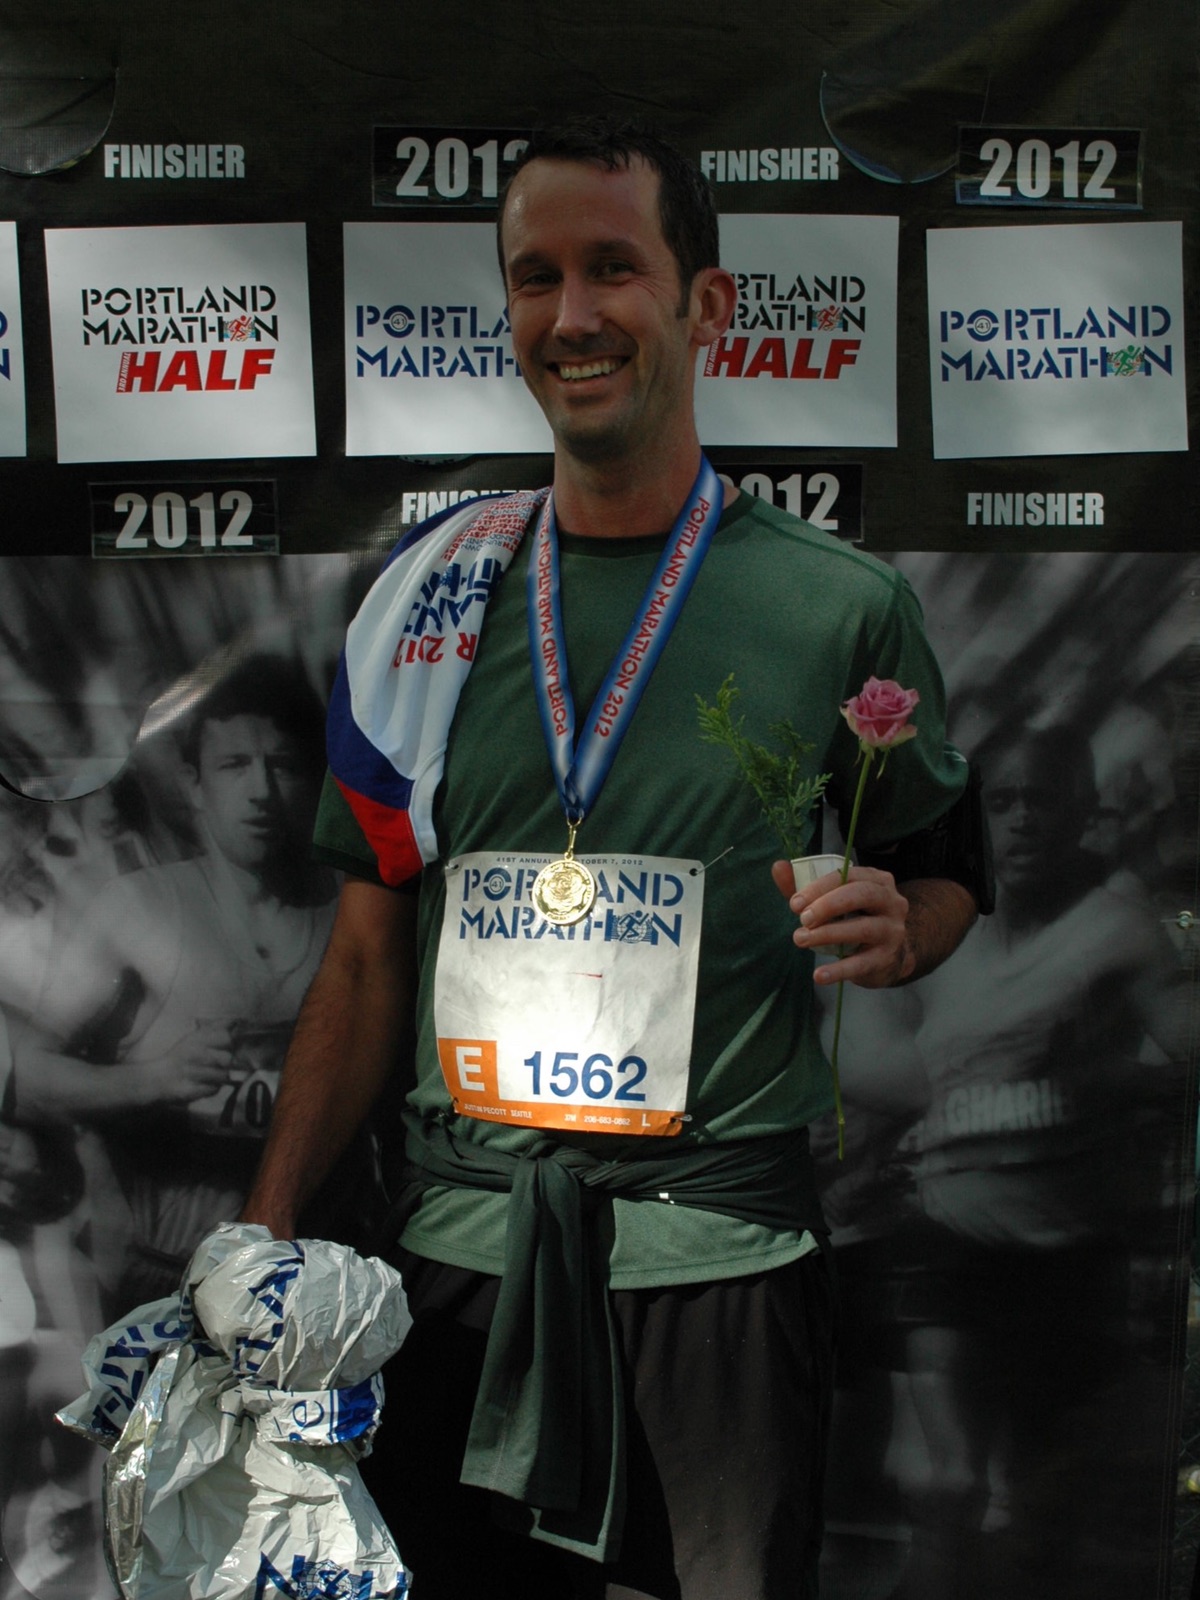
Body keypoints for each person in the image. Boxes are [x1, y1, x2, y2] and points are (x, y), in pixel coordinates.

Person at [242, 117, 985, 1600]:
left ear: (704, 305)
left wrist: (909, 929)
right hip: (459, 1264)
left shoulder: (841, 609)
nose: (571, 316)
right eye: (536, 277)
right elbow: (369, 953)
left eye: (612, 271)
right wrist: (258, 1243)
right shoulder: (430, 601)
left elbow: (943, 872)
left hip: (715, 1265)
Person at [889, 726, 1186, 1600]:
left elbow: (1180, 1037)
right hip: (948, 1241)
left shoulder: (1116, 929)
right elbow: (867, 1053)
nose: (1019, 822)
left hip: (1068, 1250)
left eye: (1041, 801)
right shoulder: (942, 920)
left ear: (1083, 816)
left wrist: (1111, 1082)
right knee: (944, 1487)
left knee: (1034, 1508)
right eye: (1004, 801)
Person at [13, 653, 336, 1313]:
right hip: (157, 1268)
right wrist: (150, 1079)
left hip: (315, 1265)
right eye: (234, 766)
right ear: (193, 783)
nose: (261, 793)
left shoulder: (347, 916)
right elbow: (30, 1073)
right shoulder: (138, 906)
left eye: (284, 766)